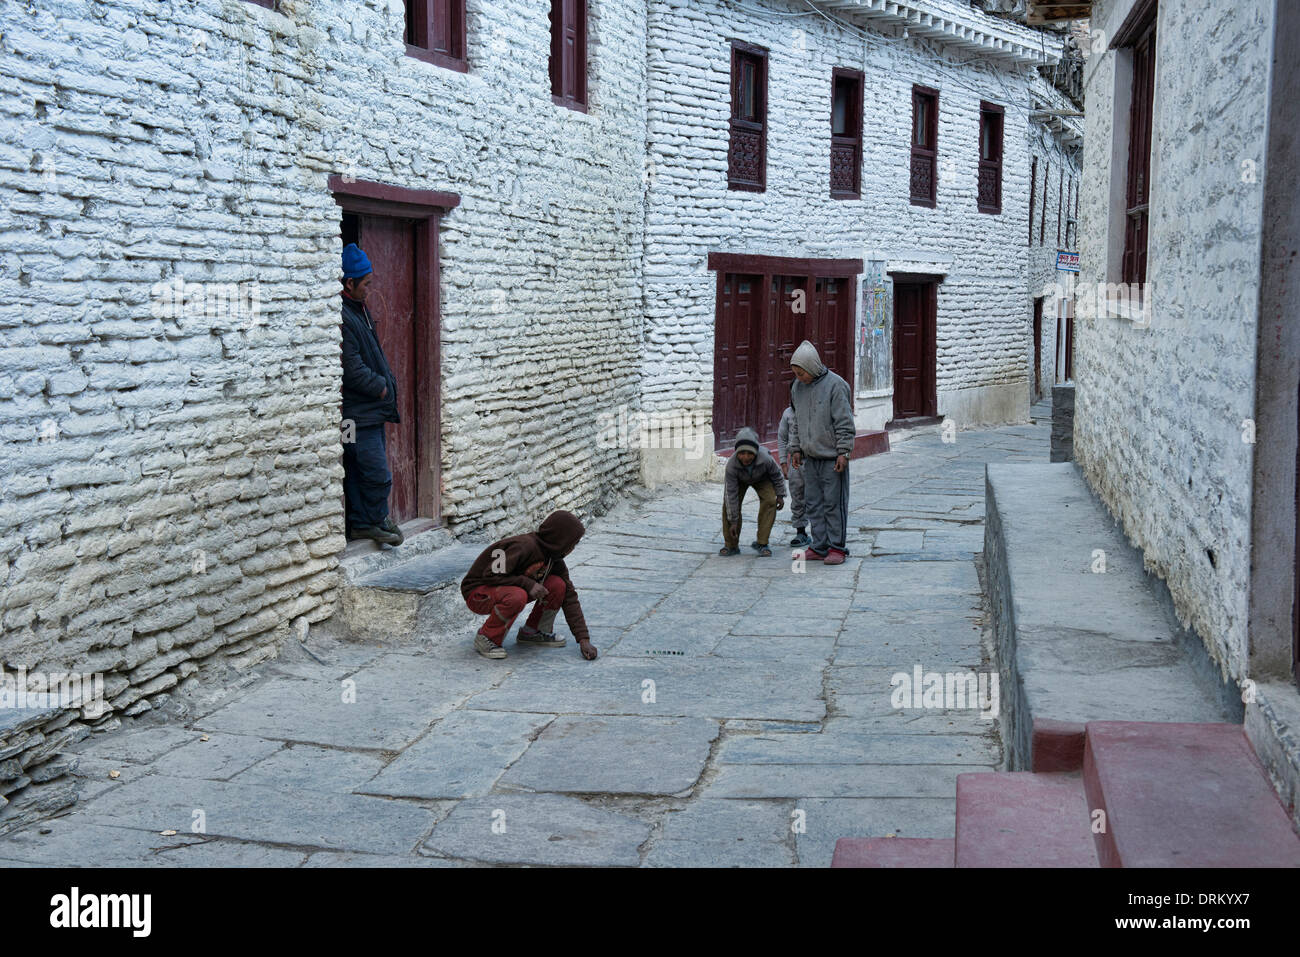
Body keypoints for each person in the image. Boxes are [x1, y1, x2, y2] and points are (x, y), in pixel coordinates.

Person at [460, 510, 597, 661]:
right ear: (561, 539)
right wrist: (527, 583)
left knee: (558, 585)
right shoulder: (523, 546)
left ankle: (533, 632)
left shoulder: (554, 559)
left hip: (504, 589)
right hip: (478, 593)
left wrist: (583, 640)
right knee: (517, 595)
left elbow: (570, 597)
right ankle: (487, 638)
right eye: (573, 543)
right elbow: (491, 575)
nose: (573, 548)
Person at [340, 242, 403, 547]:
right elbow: (352, 370)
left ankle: (367, 521)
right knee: (374, 471)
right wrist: (381, 387)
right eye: (365, 283)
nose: (369, 288)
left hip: (369, 413)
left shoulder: (359, 310)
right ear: (348, 283)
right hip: (356, 416)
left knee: (359, 468)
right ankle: (370, 521)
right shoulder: (345, 317)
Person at [788, 340, 855, 565]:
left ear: (813, 366)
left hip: (832, 459)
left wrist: (843, 452)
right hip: (810, 458)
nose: (799, 377)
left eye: (802, 373)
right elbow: (795, 421)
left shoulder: (836, 386)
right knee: (813, 503)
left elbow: (844, 422)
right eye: (796, 373)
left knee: (833, 504)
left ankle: (837, 547)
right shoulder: (797, 388)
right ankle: (819, 545)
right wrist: (795, 448)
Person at [720, 427, 786, 557]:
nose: (746, 457)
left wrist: (780, 495)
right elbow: (730, 495)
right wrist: (733, 521)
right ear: (736, 453)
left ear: (756, 452)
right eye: (741, 453)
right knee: (728, 506)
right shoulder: (732, 466)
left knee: (770, 500)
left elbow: (777, 475)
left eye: (750, 453)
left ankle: (762, 543)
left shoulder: (766, 458)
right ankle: (731, 545)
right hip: (740, 480)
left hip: (762, 479)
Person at [776, 405, 809, 548]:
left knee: (818, 498)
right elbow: (782, 439)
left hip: (815, 458)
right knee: (797, 497)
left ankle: (823, 535)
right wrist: (783, 462)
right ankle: (800, 532)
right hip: (796, 463)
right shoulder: (788, 413)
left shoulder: (814, 408)